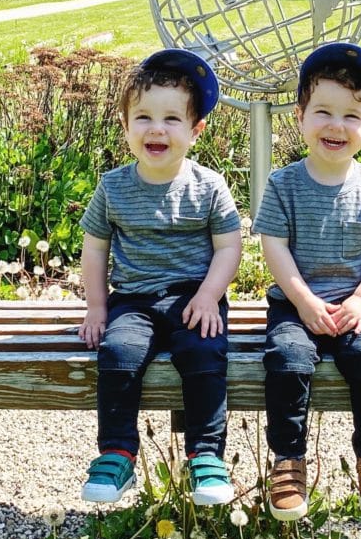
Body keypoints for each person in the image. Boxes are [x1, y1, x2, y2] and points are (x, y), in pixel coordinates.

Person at [78, 48, 243, 507]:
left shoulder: (208, 186)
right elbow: (95, 248)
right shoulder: (113, 186)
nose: (156, 128)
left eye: (172, 119)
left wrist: (211, 296)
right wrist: (97, 307)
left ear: (195, 130)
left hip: (195, 297)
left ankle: (206, 456)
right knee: (118, 352)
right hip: (133, 298)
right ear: (126, 125)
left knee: (204, 352)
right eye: (144, 117)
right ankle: (116, 453)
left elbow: (230, 246)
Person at [253, 42, 361, 521]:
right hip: (295, 304)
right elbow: (273, 247)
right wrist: (301, 300)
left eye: (351, 116)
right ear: (300, 116)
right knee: (288, 357)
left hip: (357, 303)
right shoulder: (284, 183)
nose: (336, 126)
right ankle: (288, 459)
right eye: (323, 112)